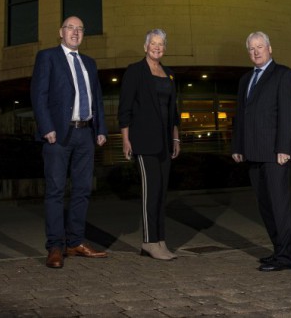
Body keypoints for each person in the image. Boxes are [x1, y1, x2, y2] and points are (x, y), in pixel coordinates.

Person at [30, 16, 108, 268]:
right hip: (58, 134)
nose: (75, 32)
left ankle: (75, 242)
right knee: (55, 191)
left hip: (85, 133)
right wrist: (46, 127)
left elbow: (96, 98)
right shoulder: (48, 57)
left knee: (82, 190)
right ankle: (55, 246)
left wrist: (101, 129)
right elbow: (38, 94)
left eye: (80, 29)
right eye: (70, 28)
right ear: (60, 32)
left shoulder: (89, 63)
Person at [232, 31, 291, 272]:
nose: (256, 51)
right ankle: (278, 250)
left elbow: (288, 114)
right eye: (251, 48)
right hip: (252, 152)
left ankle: (287, 256)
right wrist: (238, 146)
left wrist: (284, 147)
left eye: (260, 47)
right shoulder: (245, 80)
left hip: (274, 153)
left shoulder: (283, 74)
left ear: (270, 48)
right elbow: (240, 115)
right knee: (265, 206)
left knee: (279, 205)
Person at [118, 29, 181, 261]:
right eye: (153, 43)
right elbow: (124, 107)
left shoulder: (170, 74)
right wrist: (126, 138)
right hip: (143, 141)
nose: (157, 47)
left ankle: (160, 240)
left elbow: (173, 110)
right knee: (150, 192)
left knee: (162, 193)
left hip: (165, 141)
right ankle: (148, 242)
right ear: (145, 46)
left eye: (161, 44)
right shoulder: (135, 72)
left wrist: (175, 137)